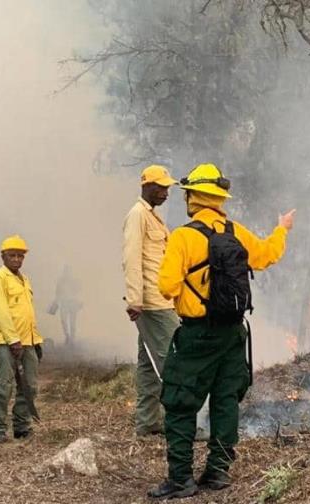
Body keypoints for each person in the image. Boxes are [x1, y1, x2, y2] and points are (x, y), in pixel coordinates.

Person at [149, 164, 295, 499]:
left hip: (197, 335)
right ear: (217, 199)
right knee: (226, 400)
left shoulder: (184, 236)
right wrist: (282, 228)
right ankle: (218, 472)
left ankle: (181, 479)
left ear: (193, 198)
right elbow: (267, 255)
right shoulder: (236, 232)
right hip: (233, 334)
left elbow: (166, 286)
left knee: (181, 402)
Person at [122, 165, 180, 436]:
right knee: (173, 362)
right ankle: (180, 422)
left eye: (167, 187)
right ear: (146, 185)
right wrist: (134, 299)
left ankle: (147, 422)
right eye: (161, 187)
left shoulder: (152, 217)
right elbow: (132, 259)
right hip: (152, 303)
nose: (166, 192)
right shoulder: (137, 216)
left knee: (147, 365)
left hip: (158, 300)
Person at [0, 235, 42, 443]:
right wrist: (12, 339)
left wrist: (36, 340)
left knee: (29, 385)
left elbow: (27, 312)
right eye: (12, 255)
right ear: (3, 256)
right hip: (7, 341)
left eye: (20, 256)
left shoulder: (23, 279)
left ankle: (21, 425)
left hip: (28, 340)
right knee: (3, 385)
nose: (17, 259)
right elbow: (0, 311)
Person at [50, 264, 82, 347]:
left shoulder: (74, 280)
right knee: (64, 321)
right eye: (66, 271)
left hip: (72, 303)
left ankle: (72, 339)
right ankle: (68, 336)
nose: (67, 272)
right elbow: (57, 293)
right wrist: (55, 303)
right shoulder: (61, 281)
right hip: (64, 303)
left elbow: (79, 291)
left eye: (68, 271)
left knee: (72, 322)